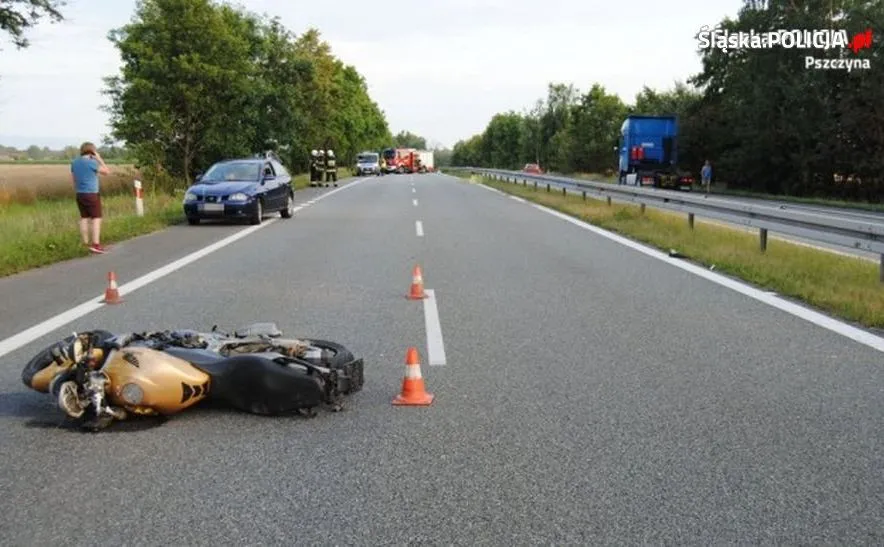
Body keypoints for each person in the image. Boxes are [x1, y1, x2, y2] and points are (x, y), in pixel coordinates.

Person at [70, 142, 110, 253]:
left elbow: (74, 179)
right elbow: (107, 172)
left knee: (84, 218)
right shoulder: (92, 163)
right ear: (93, 151)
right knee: (96, 218)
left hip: (80, 193)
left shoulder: (74, 162)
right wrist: (99, 159)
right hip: (91, 193)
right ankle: (96, 244)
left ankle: (85, 243)